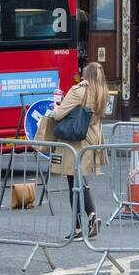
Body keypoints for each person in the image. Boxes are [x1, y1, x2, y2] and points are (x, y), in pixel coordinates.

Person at [44, 61, 109, 239]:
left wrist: (56, 104)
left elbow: (58, 114)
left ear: (85, 75)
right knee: (77, 180)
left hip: (75, 141)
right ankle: (81, 225)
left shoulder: (77, 91)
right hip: (92, 139)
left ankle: (87, 219)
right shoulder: (102, 92)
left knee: (74, 182)